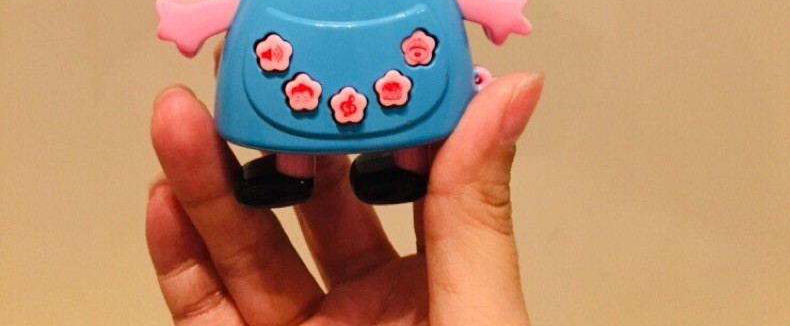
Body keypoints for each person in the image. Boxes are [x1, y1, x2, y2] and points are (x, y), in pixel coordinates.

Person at [146, 63, 544, 325]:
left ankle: (397, 166)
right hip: (335, 80)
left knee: (396, 112)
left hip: (386, 82)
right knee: (298, 115)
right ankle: (304, 172)